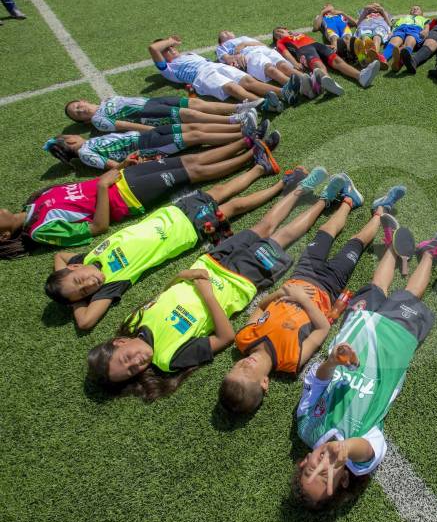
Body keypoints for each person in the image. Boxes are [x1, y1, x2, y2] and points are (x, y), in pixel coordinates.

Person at [84, 171, 352, 401]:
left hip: (211, 262)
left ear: (120, 342)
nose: (136, 363)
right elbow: (225, 338)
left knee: (263, 226)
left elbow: (166, 294)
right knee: (281, 237)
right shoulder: (169, 359)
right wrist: (208, 295)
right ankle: (323, 200)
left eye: (126, 359)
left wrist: (184, 274)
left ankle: (300, 190)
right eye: (133, 371)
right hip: (239, 281)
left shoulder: (134, 321)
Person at [292, 221, 437, 509]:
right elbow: (368, 450)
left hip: (355, 335)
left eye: (310, 470)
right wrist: (345, 448)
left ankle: (393, 248)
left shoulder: (307, 429)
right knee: (410, 296)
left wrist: (331, 361)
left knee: (376, 288)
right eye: (325, 476)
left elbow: (316, 383)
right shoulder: (361, 457)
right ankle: (430, 254)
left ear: (304, 461)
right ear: (344, 480)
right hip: (391, 348)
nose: (320, 465)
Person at [44, 165, 312, 330]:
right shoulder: (112, 284)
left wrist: (69, 289)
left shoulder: (85, 258)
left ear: (75, 267)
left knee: (220, 190)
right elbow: (86, 322)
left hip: (172, 213)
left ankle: (260, 168)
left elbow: (60, 256)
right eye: (84, 292)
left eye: (79, 281)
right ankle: (282, 185)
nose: (88, 284)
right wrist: (77, 300)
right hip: (185, 232)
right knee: (235, 206)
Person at [219, 184, 407, 414]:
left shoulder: (243, 339)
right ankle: (380, 212)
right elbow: (322, 328)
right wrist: (303, 299)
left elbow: (260, 307)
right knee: (355, 244)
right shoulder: (291, 361)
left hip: (302, 273)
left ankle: (349, 201)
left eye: (236, 368)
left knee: (325, 232)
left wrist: (281, 293)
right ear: (264, 383)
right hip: (328, 288)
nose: (244, 365)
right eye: (247, 373)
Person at [0, 132, 280, 257]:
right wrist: (103, 186)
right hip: (127, 197)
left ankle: (247, 142)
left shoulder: (34, 202)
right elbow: (97, 227)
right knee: (193, 173)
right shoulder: (40, 230)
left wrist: (119, 167)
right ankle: (253, 158)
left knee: (188, 160)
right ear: (4, 236)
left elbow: (85, 191)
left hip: (122, 178)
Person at [43, 118, 258, 170]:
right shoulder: (85, 153)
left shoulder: (88, 146)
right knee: (195, 136)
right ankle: (243, 137)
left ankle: (240, 128)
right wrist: (136, 161)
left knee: (192, 128)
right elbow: (114, 167)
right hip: (146, 147)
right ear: (70, 141)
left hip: (144, 136)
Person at [148, 35, 299, 108]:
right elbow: (153, 48)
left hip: (214, 66)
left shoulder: (189, 55)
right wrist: (170, 40)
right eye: (166, 49)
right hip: (201, 76)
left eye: (171, 47)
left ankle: (284, 93)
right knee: (232, 88)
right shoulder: (168, 69)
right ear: (162, 56)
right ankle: (266, 105)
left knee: (248, 81)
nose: (171, 49)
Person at [65, 95, 258, 133]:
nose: (80, 110)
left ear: (82, 100)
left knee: (196, 103)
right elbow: (123, 125)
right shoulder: (98, 120)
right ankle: (234, 120)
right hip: (146, 114)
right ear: (83, 121)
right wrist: (150, 130)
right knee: (188, 114)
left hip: (151, 102)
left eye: (78, 106)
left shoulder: (105, 101)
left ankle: (238, 107)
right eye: (77, 114)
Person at [272, 27, 381, 94]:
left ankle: (361, 76)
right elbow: (286, 53)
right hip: (303, 50)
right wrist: (294, 63)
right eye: (277, 34)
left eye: (281, 31)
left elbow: (311, 41)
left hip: (316, 45)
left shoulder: (299, 34)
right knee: (318, 65)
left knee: (337, 60)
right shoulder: (280, 42)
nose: (280, 34)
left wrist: (326, 46)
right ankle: (329, 83)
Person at [216, 31, 316, 98]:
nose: (226, 32)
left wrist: (244, 44)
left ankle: (312, 82)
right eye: (223, 33)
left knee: (284, 66)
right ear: (220, 42)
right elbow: (227, 58)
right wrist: (237, 54)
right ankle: (300, 88)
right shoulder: (221, 47)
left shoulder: (243, 38)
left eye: (227, 31)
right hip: (250, 55)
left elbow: (262, 44)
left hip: (264, 50)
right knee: (271, 70)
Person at [383, 6, 430, 72]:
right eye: (412, 9)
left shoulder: (423, 19)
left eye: (417, 9)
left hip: (415, 29)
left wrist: (425, 31)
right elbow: (396, 26)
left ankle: (399, 62)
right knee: (394, 41)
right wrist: (392, 32)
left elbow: (427, 27)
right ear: (410, 12)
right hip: (401, 29)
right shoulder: (403, 18)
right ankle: (383, 59)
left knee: (410, 41)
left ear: (422, 13)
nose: (415, 9)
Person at [353, 3, 392, 68]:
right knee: (365, 38)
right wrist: (365, 10)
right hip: (365, 25)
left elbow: (390, 24)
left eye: (377, 6)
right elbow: (358, 23)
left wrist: (382, 11)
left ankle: (372, 55)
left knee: (377, 37)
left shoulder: (384, 13)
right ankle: (364, 56)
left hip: (380, 25)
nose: (374, 8)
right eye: (372, 6)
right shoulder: (366, 13)